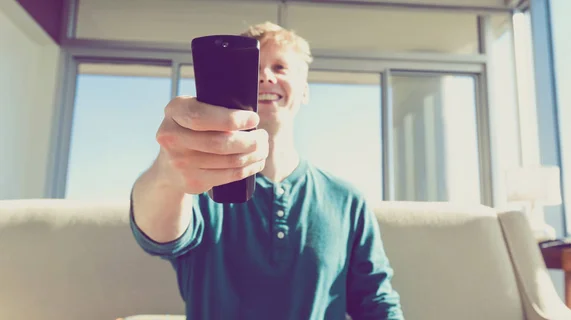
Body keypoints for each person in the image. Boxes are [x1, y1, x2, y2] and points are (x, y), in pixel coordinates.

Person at [129, 21, 404, 320]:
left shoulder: (347, 200)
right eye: (253, 69)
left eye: (280, 67)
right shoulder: (200, 187)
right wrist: (168, 176)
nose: (265, 77)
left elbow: (376, 302)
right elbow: (158, 234)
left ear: (305, 90)